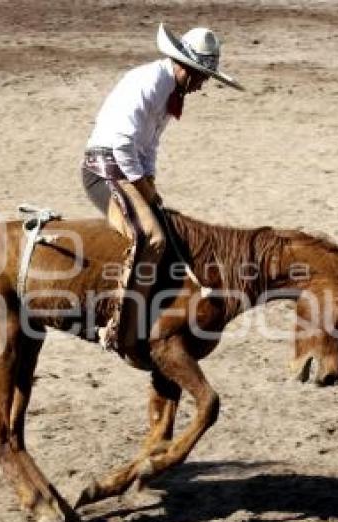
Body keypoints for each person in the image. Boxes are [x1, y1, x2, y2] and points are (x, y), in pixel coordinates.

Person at [81, 23, 243, 356]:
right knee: (152, 236)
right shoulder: (151, 83)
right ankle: (119, 327)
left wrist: (150, 181)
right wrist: (143, 186)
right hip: (104, 169)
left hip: (125, 168)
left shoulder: (169, 90)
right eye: (200, 75)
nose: (202, 84)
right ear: (183, 66)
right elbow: (123, 144)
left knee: (167, 226)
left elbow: (150, 144)